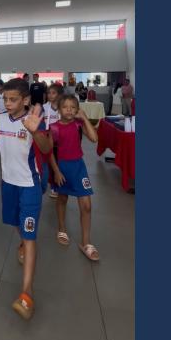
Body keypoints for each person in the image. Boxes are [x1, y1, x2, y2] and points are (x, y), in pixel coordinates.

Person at [0, 79, 53, 320]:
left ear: (25, 100)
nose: (7, 103)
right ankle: (23, 243)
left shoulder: (34, 120)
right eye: (5, 99)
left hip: (30, 186)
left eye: (13, 99)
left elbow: (46, 148)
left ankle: (27, 293)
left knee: (30, 235)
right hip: (8, 184)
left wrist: (35, 131)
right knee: (16, 224)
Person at [47, 94, 100, 261]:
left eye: (73, 107)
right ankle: (62, 228)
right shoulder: (53, 128)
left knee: (86, 205)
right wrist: (56, 171)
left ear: (77, 109)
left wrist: (84, 118)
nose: (69, 110)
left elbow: (94, 138)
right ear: (59, 109)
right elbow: (49, 152)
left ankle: (86, 242)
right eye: (65, 107)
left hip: (79, 168)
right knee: (62, 198)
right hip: (62, 168)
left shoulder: (78, 124)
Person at [41, 83, 65, 198]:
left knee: (60, 163)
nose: (50, 95)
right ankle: (53, 187)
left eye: (53, 93)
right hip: (47, 140)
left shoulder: (63, 108)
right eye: (48, 93)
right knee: (49, 164)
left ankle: (60, 184)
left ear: (59, 95)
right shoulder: (44, 108)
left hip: (61, 140)